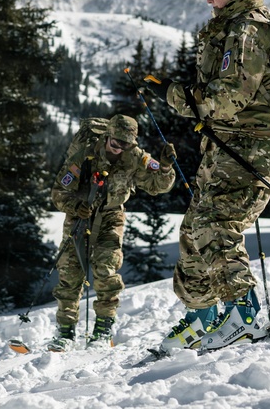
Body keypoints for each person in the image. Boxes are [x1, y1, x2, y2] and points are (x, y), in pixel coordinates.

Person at [145, 0, 270, 352]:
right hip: (226, 145)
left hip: (251, 146)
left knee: (216, 225)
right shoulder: (229, 26)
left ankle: (245, 314)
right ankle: (204, 316)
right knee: (193, 230)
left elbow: (227, 98)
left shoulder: (248, 29)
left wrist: (173, 93)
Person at [48, 114, 176, 351]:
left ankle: (102, 329)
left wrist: (166, 167)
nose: (119, 149)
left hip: (111, 215)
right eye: (115, 143)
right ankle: (65, 332)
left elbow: (158, 185)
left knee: (106, 269)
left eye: (125, 144)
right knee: (70, 271)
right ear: (107, 137)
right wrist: (75, 206)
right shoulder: (83, 155)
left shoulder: (136, 157)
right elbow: (58, 192)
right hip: (80, 215)